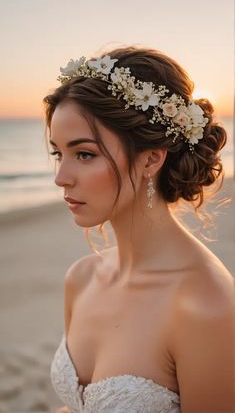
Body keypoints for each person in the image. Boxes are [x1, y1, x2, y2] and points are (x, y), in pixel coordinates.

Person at [43, 45, 235, 412]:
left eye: (84, 154)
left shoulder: (204, 304)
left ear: (150, 158)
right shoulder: (81, 279)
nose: (61, 178)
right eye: (58, 153)